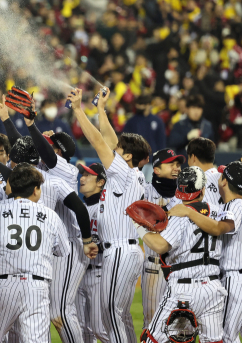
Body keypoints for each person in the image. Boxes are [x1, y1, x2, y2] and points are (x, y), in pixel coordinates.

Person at [67, 87, 150, 343]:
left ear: (127, 156)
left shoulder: (125, 173)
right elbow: (110, 141)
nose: (115, 149)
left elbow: (100, 142)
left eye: (120, 149)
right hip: (125, 250)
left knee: (110, 314)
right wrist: (101, 110)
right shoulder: (128, 174)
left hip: (121, 252)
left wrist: (79, 111)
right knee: (120, 316)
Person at [167, 161, 242, 343]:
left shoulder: (233, 207)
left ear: (223, 182)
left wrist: (189, 212)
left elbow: (218, 228)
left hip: (237, 282)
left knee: (224, 338)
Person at [0, 164, 72, 343]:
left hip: (3, 285)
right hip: (36, 286)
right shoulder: (50, 215)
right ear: (36, 190)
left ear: (11, 187)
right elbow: (63, 250)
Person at [138, 167, 227, 343]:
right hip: (212, 289)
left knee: (150, 340)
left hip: (182, 291)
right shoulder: (218, 212)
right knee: (214, 341)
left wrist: (138, 228)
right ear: (202, 190)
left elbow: (161, 246)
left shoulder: (179, 215)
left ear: (180, 190)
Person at [140, 149, 185, 331]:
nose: (177, 168)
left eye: (178, 164)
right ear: (156, 169)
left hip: (180, 269)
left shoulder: (184, 196)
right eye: (171, 164)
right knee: (151, 324)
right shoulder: (143, 192)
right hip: (154, 269)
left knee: (181, 327)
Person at [75, 163, 110, 343]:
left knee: (99, 328)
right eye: (82, 174)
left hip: (99, 273)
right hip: (78, 275)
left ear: (100, 182)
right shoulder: (78, 208)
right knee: (81, 330)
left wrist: (97, 246)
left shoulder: (106, 208)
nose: (82, 178)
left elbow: (112, 242)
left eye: (88, 175)